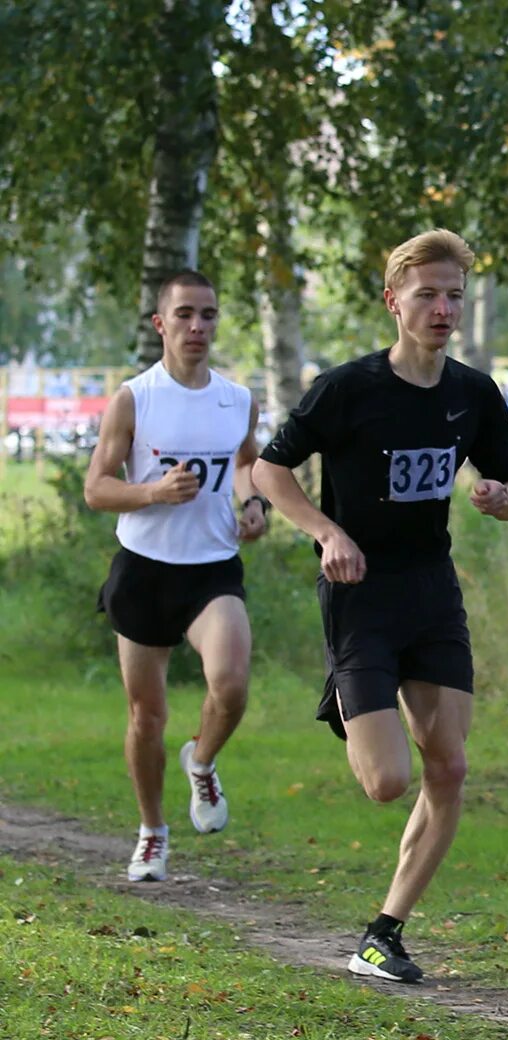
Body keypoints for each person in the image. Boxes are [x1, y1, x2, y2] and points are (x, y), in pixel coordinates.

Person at [252, 230, 508, 984]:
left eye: (454, 297)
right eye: (427, 295)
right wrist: (325, 531)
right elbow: (269, 470)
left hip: (431, 592)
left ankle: (384, 933)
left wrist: (502, 496)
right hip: (358, 595)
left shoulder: (474, 394)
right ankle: (348, 696)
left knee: (451, 766)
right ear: (393, 302)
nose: (443, 310)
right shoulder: (348, 390)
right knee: (386, 782)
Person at [84, 270, 266, 883]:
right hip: (143, 572)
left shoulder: (237, 399)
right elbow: (97, 488)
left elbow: (246, 463)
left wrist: (252, 504)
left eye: (208, 314)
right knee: (147, 717)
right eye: (185, 314)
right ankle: (152, 833)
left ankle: (204, 761)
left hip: (211, 570)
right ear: (161, 323)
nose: (198, 327)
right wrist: (153, 491)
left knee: (232, 684)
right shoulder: (136, 398)